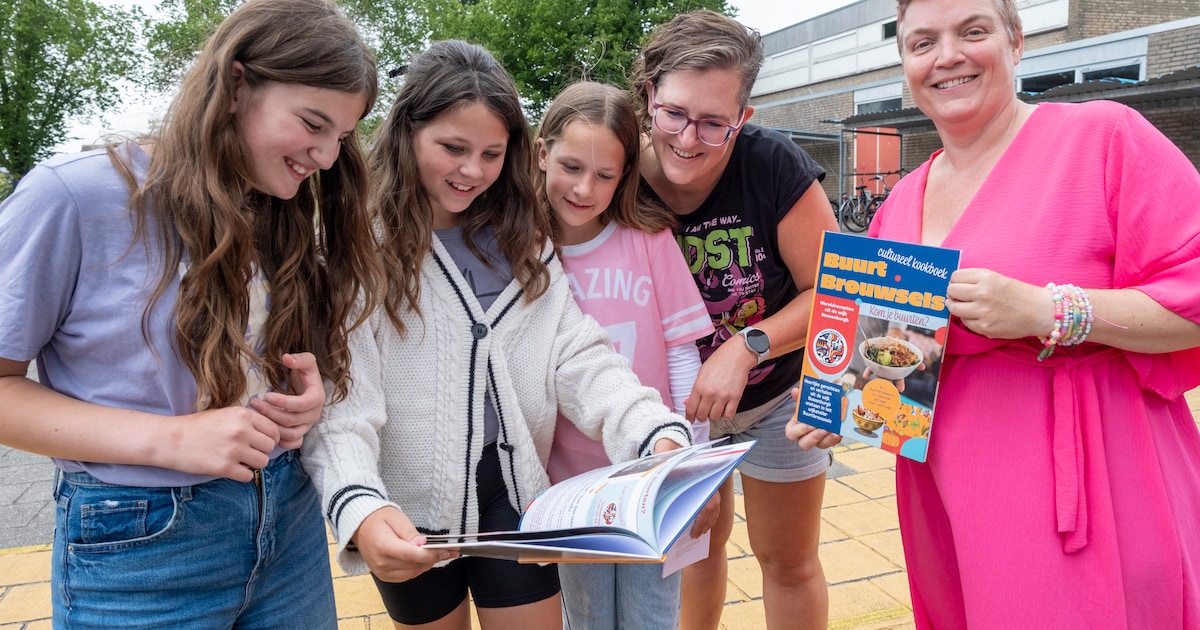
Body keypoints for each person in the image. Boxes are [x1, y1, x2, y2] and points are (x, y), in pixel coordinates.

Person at [788, 0, 1200, 627]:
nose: (946, 55)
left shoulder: (1103, 138)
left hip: (1089, 474)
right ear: (905, 63)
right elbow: (897, 357)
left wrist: (1049, 309)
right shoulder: (899, 203)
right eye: (922, 42)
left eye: (972, 31)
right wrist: (846, 405)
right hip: (946, 486)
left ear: (1015, 43)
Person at [0, 0, 381, 627]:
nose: (327, 156)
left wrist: (301, 401)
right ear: (235, 84)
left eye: (340, 137)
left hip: (287, 523)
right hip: (139, 548)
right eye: (313, 123)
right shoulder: (72, 195)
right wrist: (172, 438)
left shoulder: (279, 205)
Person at [301, 41, 701, 630]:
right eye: (453, 148)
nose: (473, 171)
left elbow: (580, 355)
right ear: (408, 130)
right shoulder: (361, 247)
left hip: (517, 498)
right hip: (408, 511)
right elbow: (343, 401)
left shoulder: (523, 240)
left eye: (491, 153)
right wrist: (358, 504)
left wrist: (655, 434)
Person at [632, 10, 839, 630]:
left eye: (714, 123)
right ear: (649, 96)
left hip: (776, 396)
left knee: (787, 559)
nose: (689, 139)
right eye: (674, 113)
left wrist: (745, 346)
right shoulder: (613, 175)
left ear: (743, 118)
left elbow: (833, 291)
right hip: (673, 406)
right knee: (693, 551)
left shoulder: (774, 167)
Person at [534, 80, 716, 629]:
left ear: (624, 176)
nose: (585, 188)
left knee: (651, 617)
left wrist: (692, 470)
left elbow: (684, 358)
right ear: (541, 153)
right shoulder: (520, 251)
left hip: (652, 480)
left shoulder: (649, 238)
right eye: (570, 166)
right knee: (586, 618)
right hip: (566, 489)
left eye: (605, 175)